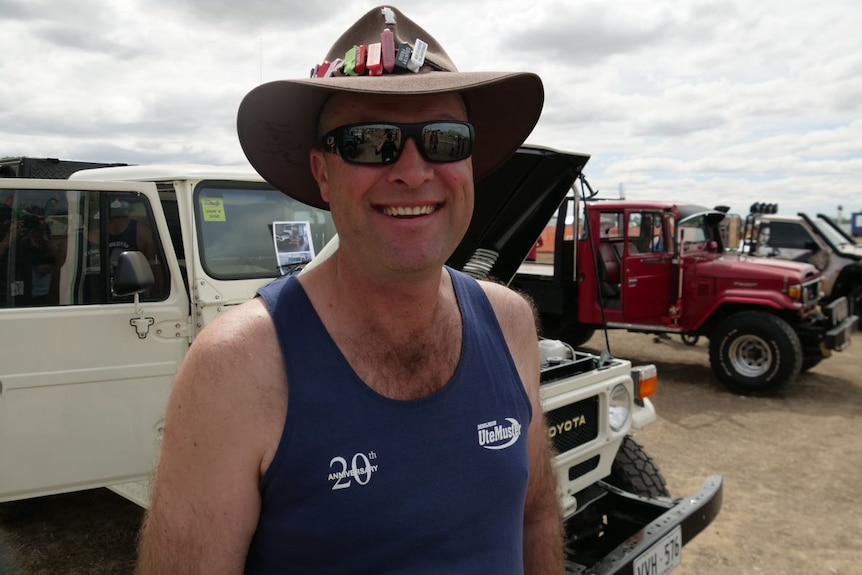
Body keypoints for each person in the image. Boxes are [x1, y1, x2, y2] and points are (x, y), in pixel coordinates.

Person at [137, 6, 560, 574]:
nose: (413, 171)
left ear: (470, 162)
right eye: (369, 142)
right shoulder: (237, 368)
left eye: (443, 139)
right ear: (322, 172)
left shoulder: (510, 324)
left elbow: (535, 515)